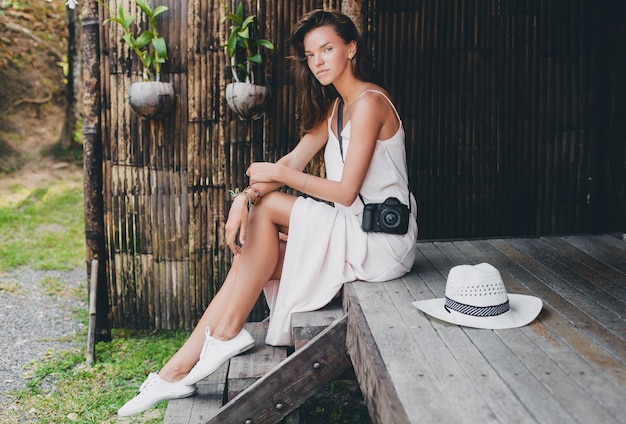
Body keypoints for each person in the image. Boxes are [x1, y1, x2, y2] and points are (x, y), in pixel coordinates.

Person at [117, 9, 418, 417]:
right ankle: (175, 371)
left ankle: (224, 335)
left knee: (270, 209)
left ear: (351, 48)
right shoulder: (336, 110)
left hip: (381, 242)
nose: (319, 62)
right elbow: (293, 162)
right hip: (351, 232)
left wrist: (271, 183)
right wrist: (244, 197)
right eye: (311, 55)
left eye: (328, 49)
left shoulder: (369, 103)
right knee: (249, 260)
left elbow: (345, 193)